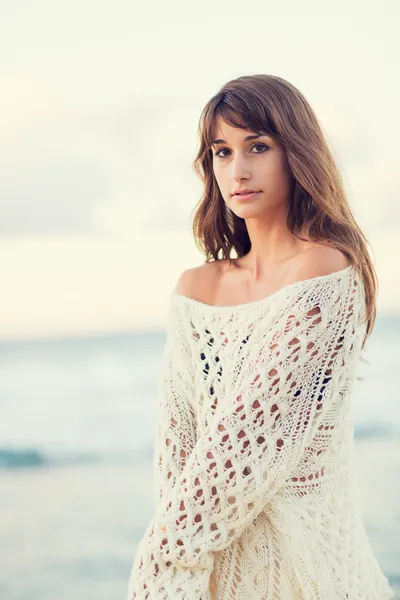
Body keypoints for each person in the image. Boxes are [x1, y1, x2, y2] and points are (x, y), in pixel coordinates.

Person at [127, 74, 395, 599]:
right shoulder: (196, 290)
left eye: (258, 146)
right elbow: (177, 461)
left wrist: (157, 567)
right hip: (214, 582)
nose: (239, 170)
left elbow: (239, 452)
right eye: (222, 152)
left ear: (296, 153)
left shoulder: (324, 274)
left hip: (312, 577)